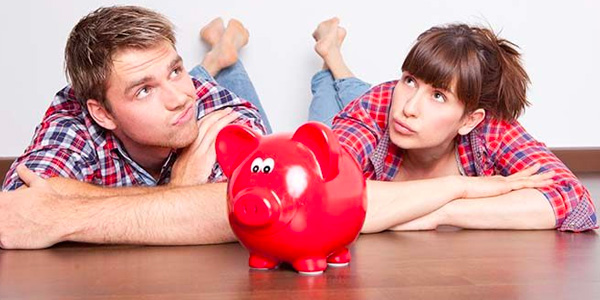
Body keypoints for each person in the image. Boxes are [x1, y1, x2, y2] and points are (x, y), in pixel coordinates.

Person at [0, 6, 271, 249]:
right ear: (102, 113)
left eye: (176, 70)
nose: (179, 99)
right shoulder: (74, 114)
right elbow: (17, 208)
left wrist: (64, 216)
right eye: (144, 90)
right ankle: (217, 55)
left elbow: (265, 202)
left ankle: (219, 57)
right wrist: (178, 191)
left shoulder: (211, 103)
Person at [308, 18, 597, 232]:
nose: (409, 108)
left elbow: (572, 198)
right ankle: (332, 56)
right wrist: (458, 187)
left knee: (350, 92)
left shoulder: (490, 129)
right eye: (409, 80)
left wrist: (442, 212)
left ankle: (332, 54)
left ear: (470, 120)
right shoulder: (381, 105)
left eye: (438, 96)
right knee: (332, 105)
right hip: (367, 104)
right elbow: (317, 195)